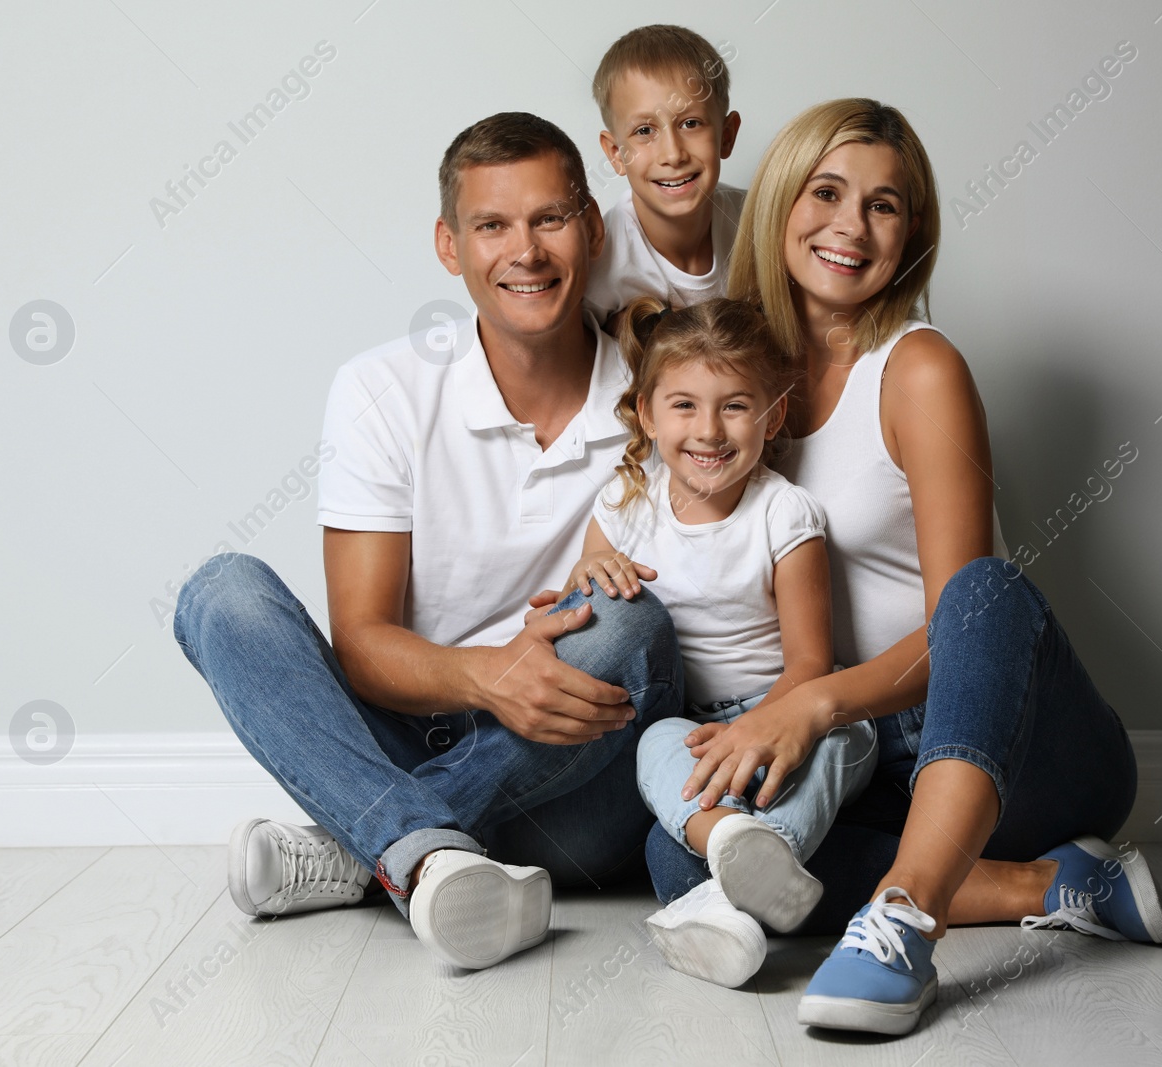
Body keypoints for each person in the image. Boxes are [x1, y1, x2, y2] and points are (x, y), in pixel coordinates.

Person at [642, 98, 1162, 1036]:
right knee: (680, 853)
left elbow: (968, 629)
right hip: (867, 756)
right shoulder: (732, 381)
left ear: (911, 235)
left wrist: (811, 702)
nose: (850, 226)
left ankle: (905, 917)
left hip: (1012, 740)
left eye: (885, 206)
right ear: (778, 205)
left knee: (984, 591)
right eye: (828, 192)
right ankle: (1056, 881)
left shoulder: (919, 368)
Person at [173, 112, 684, 972]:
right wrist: (489, 675)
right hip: (405, 733)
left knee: (633, 625)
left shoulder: (669, 394)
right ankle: (427, 849)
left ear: (593, 229)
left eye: (550, 219)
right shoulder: (382, 388)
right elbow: (364, 642)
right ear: (450, 247)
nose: (525, 250)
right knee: (221, 592)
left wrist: (535, 678)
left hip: (576, 787)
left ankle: (370, 847)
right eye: (492, 225)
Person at [561, 295, 877, 988]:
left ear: (773, 414)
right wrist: (587, 573)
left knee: (850, 738)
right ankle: (736, 844)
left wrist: (769, 728)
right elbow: (587, 602)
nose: (709, 430)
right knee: (653, 744)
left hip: (785, 710)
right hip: (694, 732)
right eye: (684, 406)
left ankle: (748, 873)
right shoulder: (625, 505)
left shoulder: (785, 514)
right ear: (646, 413)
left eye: (735, 405)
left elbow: (811, 666)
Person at [584, 24, 745, 322]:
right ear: (616, 154)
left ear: (726, 136)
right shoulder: (599, 269)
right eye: (644, 130)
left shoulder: (758, 222)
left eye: (691, 123)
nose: (673, 154)